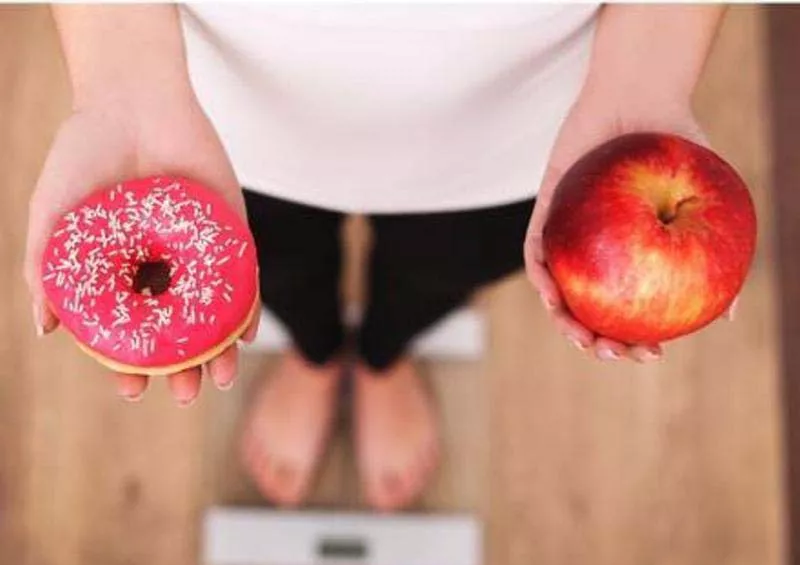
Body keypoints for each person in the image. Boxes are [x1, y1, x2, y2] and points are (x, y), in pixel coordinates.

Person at [25, 5, 728, 511]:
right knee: (274, 262)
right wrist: (119, 78)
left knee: (443, 266)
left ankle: (385, 353)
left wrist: (646, 78)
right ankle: (316, 349)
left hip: (532, 116)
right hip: (204, 109)